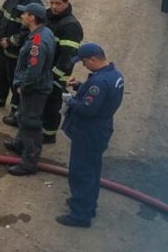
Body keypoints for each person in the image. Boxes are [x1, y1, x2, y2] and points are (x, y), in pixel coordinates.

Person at [57, 43, 125, 228]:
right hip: (100, 130)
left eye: (85, 62)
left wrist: (70, 100)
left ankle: (80, 215)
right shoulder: (113, 75)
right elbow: (98, 98)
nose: (84, 65)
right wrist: (80, 86)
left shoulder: (99, 82)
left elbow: (87, 109)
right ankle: (89, 205)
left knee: (81, 173)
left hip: (88, 132)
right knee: (93, 170)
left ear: (93, 59)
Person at [4, 2, 56, 176]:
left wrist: (23, 86)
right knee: (23, 115)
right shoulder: (44, 33)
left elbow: (33, 70)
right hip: (39, 85)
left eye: (24, 14)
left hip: (35, 88)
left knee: (30, 122)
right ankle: (20, 143)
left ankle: (29, 161)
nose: (21, 16)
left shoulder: (37, 43)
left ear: (32, 17)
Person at [42, 0, 84, 144]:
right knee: (43, 102)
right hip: (45, 70)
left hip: (57, 75)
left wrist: (54, 76)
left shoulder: (71, 26)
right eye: (51, 2)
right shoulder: (48, 16)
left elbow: (68, 56)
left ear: (66, 3)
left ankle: (49, 134)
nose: (53, 7)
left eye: (58, 3)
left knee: (53, 103)